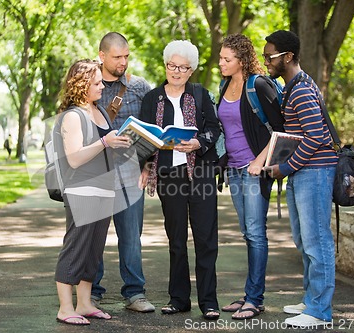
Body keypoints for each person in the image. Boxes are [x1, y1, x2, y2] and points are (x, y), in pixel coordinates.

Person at [139, 40, 221, 320]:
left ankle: (209, 302)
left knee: (206, 239)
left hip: (200, 173)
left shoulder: (201, 95)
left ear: (191, 70)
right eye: (171, 65)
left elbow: (215, 128)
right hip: (168, 174)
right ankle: (178, 299)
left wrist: (198, 142)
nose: (176, 71)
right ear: (165, 66)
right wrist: (146, 165)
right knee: (176, 239)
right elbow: (145, 138)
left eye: (182, 67)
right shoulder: (152, 99)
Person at [262, 30, 338, 328]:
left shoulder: (302, 90)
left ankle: (320, 312)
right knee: (304, 240)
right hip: (303, 172)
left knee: (317, 242)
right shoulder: (293, 86)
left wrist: (285, 167)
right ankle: (311, 300)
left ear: (288, 56)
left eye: (271, 56)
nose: (266, 61)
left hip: (314, 172)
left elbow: (315, 136)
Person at [54, 59, 131, 326]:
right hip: (81, 190)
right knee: (76, 248)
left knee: (94, 250)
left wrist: (119, 142)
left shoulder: (101, 112)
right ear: (82, 85)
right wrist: (104, 141)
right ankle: (65, 307)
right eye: (97, 83)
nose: (102, 87)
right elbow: (74, 158)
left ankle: (85, 303)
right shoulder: (73, 116)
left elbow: (104, 148)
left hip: (104, 189)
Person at [217, 34, 285, 320]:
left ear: (242, 61)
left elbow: (281, 129)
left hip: (254, 170)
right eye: (221, 58)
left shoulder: (258, 85)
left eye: (226, 59)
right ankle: (250, 294)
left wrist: (259, 162)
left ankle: (255, 300)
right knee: (248, 232)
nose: (221, 63)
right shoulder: (223, 85)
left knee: (256, 233)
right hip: (234, 169)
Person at [92, 32, 155, 313]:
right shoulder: (88, 85)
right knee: (93, 236)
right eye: (117, 57)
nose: (123, 62)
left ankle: (135, 293)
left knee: (131, 236)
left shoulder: (139, 87)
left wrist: (149, 165)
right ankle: (91, 291)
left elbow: (154, 131)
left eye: (126, 56)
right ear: (102, 56)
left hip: (130, 174)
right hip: (95, 174)